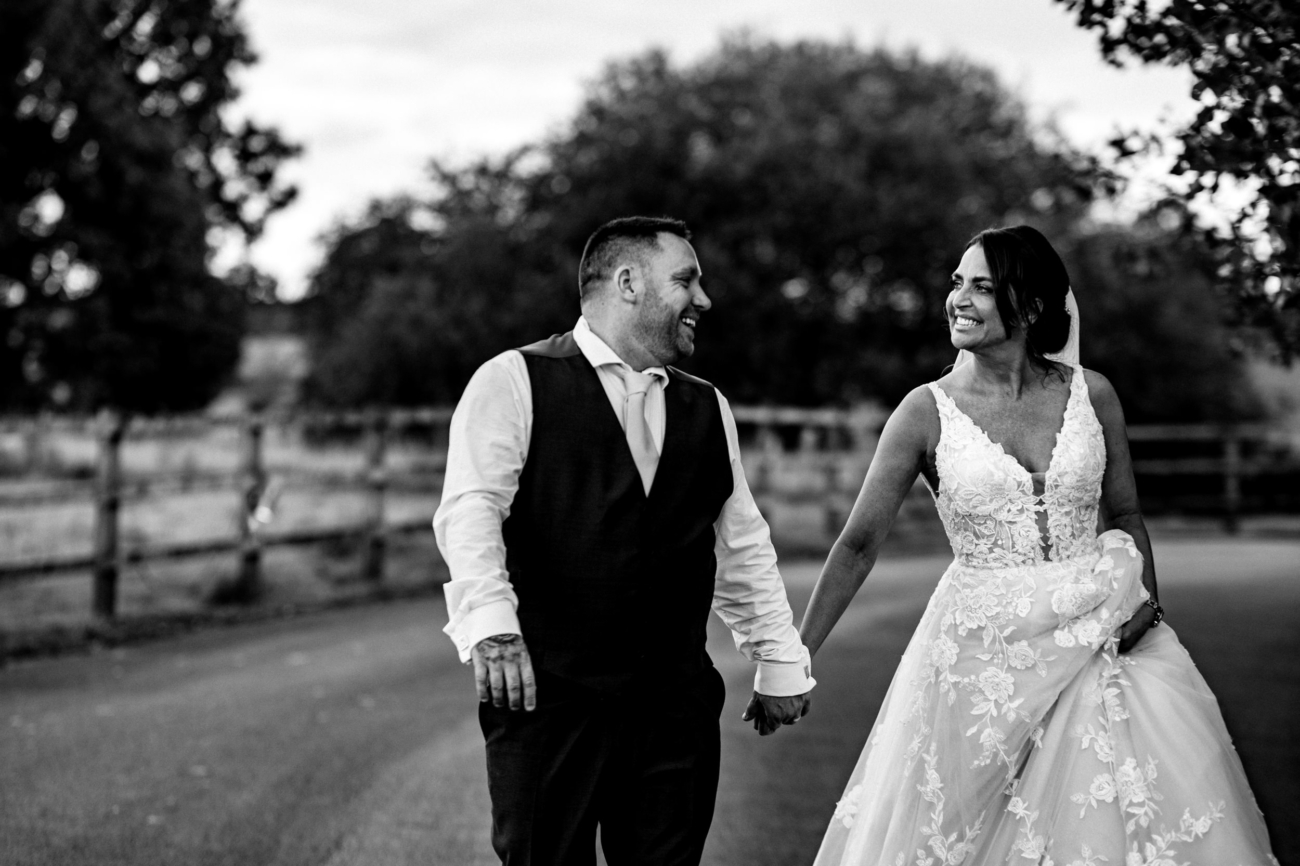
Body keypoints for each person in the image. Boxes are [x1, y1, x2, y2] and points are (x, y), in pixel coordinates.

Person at [799, 226, 1277, 865]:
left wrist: (1148, 607)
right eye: (957, 283)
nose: (958, 300)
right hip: (982, 659)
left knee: (1111, 819)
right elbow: (859, 543)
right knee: (967, 835)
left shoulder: (1093, 393)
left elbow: (1127, 512)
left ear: (1029, 308)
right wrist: (793, 657)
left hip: (1100, 638)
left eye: (982, 288)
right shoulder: (924, 411)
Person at [434, 216, 815, 866]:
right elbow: (471, 509)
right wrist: (491, 625)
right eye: (687, 280)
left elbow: (741, 544)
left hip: (674, 704)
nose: (704, 300)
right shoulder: (513, 380)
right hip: (550, 697)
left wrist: (779, 659)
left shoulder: (707, 406)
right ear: (629, 281)